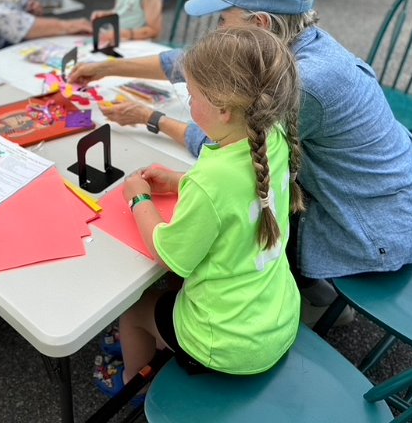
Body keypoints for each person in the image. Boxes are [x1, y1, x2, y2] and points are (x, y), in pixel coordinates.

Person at [69, 0, 412, 323]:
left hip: (382, 226)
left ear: (260, 23)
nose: (216, 31)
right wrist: (106, 67)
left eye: (222, 20)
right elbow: (189, 61)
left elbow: (237, 150)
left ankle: (294, 301)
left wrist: (152, 117)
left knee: (243, 210)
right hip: (399, 191)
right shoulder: (297, 40)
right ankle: (305, 288)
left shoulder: (304, 83)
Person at [98, 26, 302, 395]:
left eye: (191, 96)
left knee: (133, 310)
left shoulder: (211, 181)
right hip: (277, 317)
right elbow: (241, 194)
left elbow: (170, 256)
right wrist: (180, 181)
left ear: (223, 109)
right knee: (174, 294)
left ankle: (133, 384)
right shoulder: (273, 134)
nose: (189, 103)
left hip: (225, 344)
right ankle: (160, 345)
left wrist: (138, 198)